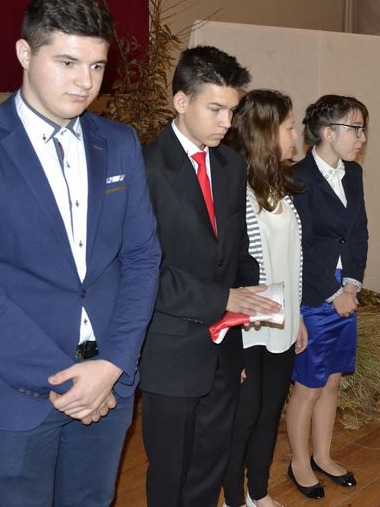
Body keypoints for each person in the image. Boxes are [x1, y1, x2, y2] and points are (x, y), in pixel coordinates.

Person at [0, 0, 162, 506]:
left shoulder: (118, 142)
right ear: (25, 53)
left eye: (97, 66)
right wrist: (67, 383)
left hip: (110, 380)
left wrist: (113, 364)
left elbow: (142, 257)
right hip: (17, 390)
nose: (85, 82)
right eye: (68, 62)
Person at [138, 46, 281, 507]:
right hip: (170, 348)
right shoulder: (145, 169)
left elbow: (237, 249)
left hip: (224, 346)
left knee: (210, 462)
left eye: (232, 111)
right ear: (181, 101)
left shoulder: (230, 165)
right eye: (215, 109)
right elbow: (145, 272)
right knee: (170, 470)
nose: (227, 122)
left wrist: (249, 296)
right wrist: (225, 299)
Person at [221, 89, 309, 507]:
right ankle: (233, 498)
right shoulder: (234, 187)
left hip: (280, 321)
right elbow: (229, 269)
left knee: (269, 413)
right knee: (243, 416)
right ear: (265, 132)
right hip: (247, 327)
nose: (295, 136)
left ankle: (259, 491)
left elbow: (291, 261)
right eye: (289, 127)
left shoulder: (282, 186)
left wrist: (297, 315)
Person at [285, 95, 369, 500]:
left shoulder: (354, 173)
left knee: (333, 378)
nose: (362, 137)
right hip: (313, 292)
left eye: (363, 129)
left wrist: (351, 285)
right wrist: (334, 292)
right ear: (328, 132)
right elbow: (297, 248)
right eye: (356, 129)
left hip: (344, 291)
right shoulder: (297, 177)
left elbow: (359, 232)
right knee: (309, 385)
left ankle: (323, 455)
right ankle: (299, 463)